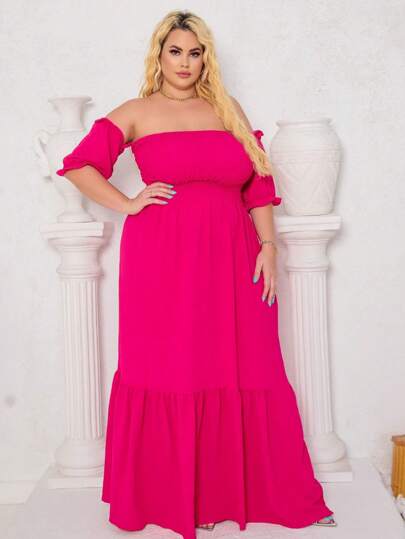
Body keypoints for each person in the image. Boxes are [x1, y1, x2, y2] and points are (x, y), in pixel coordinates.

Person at [56, 9, 337, 539]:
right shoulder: (136, 112)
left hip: (235, 256)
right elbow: (77, 165)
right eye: (175, 52)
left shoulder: (227, 109)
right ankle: (188, 498)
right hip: (162, 260)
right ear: (159, 56)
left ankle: (247, 492)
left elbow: (258, 183)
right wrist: (127, 202)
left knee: (249, 364)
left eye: (195, 52)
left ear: (206, 58)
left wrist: (269, 246)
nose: (185, 62)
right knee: (175, 368)